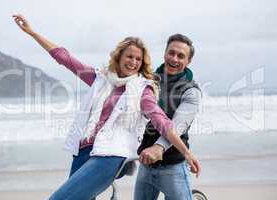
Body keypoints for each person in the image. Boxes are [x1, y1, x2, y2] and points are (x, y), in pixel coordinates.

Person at [13, 14, 201, 200]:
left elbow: (166, 123)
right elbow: (66, 59)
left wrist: (186, 153)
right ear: (119, 57)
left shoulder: (143, 89)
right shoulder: (101, 79)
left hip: (115, 154)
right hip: (87, 150)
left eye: (138, 59)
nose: (133, 62)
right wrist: (32, 32)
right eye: (129, 56)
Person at [134, 34, 202, 200]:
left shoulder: (191, 91)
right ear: (165, 53)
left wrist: (158, 148)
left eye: (181, 56)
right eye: (171, 53)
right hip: (146, 162)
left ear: (188, 61)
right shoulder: (148, 81)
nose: (174, 58)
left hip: (173, 166)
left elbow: (178, 125)